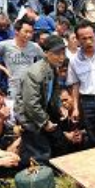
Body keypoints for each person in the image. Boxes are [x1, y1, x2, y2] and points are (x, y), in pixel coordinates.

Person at [18, 35, 73, 166]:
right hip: (31, 117)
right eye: (57, 54)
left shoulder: (52, 68)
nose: (61, 58)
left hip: (44, 111)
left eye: (63, 53)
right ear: (46, 53)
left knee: (59, 143)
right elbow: (31, 104)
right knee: (40, 154)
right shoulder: (35, 73)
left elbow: (54, 91)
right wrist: (45, 122)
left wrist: (60, 107)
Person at [0, 17, 44, 100]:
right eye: (26, 32)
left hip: (31, 86)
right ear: (16, 31)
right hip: (14, 86)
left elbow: (44, 61)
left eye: (31, 32)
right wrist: (4, 69)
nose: (29, 35)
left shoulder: (35, 46)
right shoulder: (5, 45)